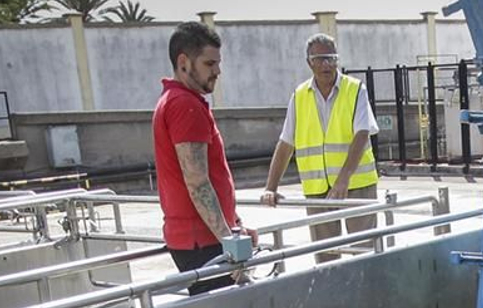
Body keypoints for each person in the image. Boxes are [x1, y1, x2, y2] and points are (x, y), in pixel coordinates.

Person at [153, 21, 256, 293]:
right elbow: (197, 181)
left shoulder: (176, 101)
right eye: (210, 64)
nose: (218, 71)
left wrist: (235, 224)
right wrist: (231, 244)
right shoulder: (185, 105)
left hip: (201, 239)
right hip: (202, 242)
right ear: (184, 62)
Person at [259, 33, 380, 261]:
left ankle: (368, 295)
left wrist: (344, 178)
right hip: (317, 189)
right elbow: (286, 143)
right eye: (320, 59)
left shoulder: (355, 90)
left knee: (365, 253)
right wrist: (270, 187)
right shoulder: (300, 96)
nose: (326, 64)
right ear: (309, 62)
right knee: (325, 256)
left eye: (331, 58)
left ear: (338, 60)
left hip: (356, 184)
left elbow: (362, 134)